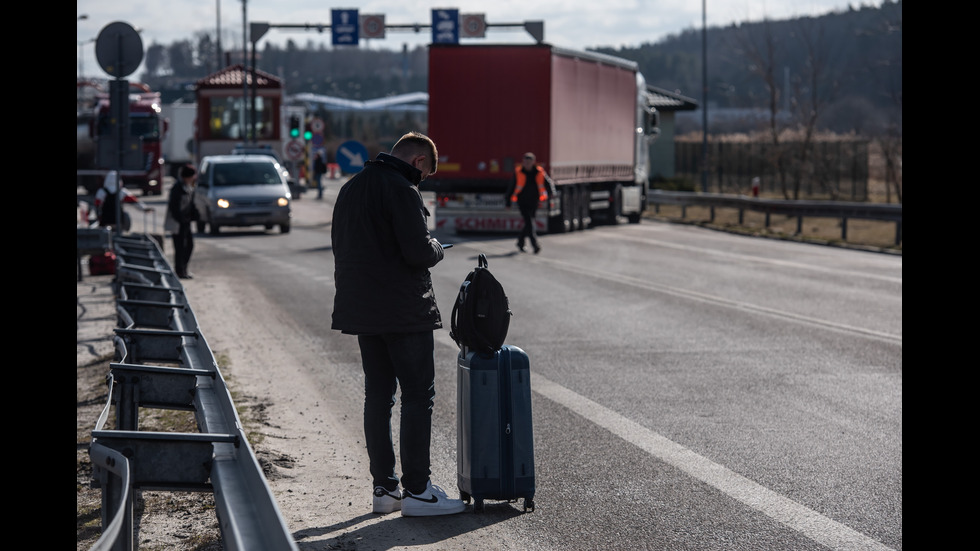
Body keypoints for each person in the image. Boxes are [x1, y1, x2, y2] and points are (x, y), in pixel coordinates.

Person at [330, 131, 465, 517]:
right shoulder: (402, 189)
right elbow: (417, 251)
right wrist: (437, 247)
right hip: (403, 312)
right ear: (419, 162)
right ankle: (419, 492)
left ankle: (384, 490)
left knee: (378, 397)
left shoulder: (351, 188)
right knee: (418, 397)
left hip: (363, 311)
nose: (421, 182)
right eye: (424, 176)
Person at [506, 152, 550, 254]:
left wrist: (551, 193)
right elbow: (511, 187)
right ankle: (535, 245)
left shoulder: (539, 172)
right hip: (522, 201)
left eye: (529, 162)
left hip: (534, 201)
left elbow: (548, 183)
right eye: (525, 162)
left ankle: (520, 242)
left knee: (529, 223)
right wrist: (508, 201)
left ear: (533, 162)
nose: (527, 164)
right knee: (529, 222)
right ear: (523, 162)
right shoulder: (519, 172)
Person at [166, 164, 199, 279]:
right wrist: (181, 219)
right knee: (180, 247)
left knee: (189, 246)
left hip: (186, 222)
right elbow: (174, 207)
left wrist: (195, 215)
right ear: (187, 176)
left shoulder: (189, 187)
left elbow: (191, 204)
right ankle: (179, 271)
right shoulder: (177, 188)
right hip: (177, 223)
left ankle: (184, 269)